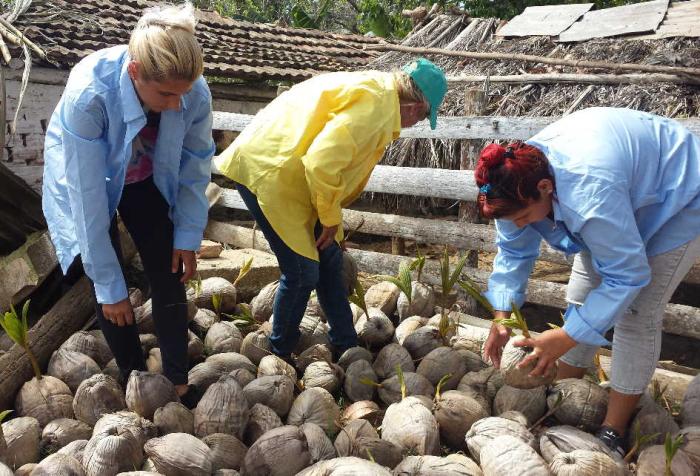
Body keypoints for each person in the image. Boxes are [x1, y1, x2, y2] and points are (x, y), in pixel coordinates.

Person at [476, 107, 700, 454]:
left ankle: (614, 429)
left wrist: (566, 337)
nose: (519, 225)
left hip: (678, 190)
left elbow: (627, 275)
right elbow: (513, 253)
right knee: (580, 294)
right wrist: (501, 314)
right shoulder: (508, 183)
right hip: (619, 180)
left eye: (523, 217)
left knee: (638, 313)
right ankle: (566, 397)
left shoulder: (589, 195)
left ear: (546, 187)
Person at [215, 59, 447, 361]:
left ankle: (346, 345)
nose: (415, 124)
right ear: (416, 107)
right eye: (423, 117)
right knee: (301, 273)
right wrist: (329, 219)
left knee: (329, 260)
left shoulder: (379, 94)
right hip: (273, 173)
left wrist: (333, 230)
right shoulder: (375, 108)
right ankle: (277, 355)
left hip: (296, 177)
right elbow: (322, 163)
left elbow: (332, 169)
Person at [42, 2, 215, 406]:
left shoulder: (194, 93)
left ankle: (176, 383)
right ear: (135, 72)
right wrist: (108, 285)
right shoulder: (89, 95)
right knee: (109, 284)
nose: (177, 104)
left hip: (146, 177)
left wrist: (188, 235)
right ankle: (135, 380)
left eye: (183, 93)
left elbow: (195, 166)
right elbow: (87, 200)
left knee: (169, 269)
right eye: (165, 94)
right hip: (88, 179)